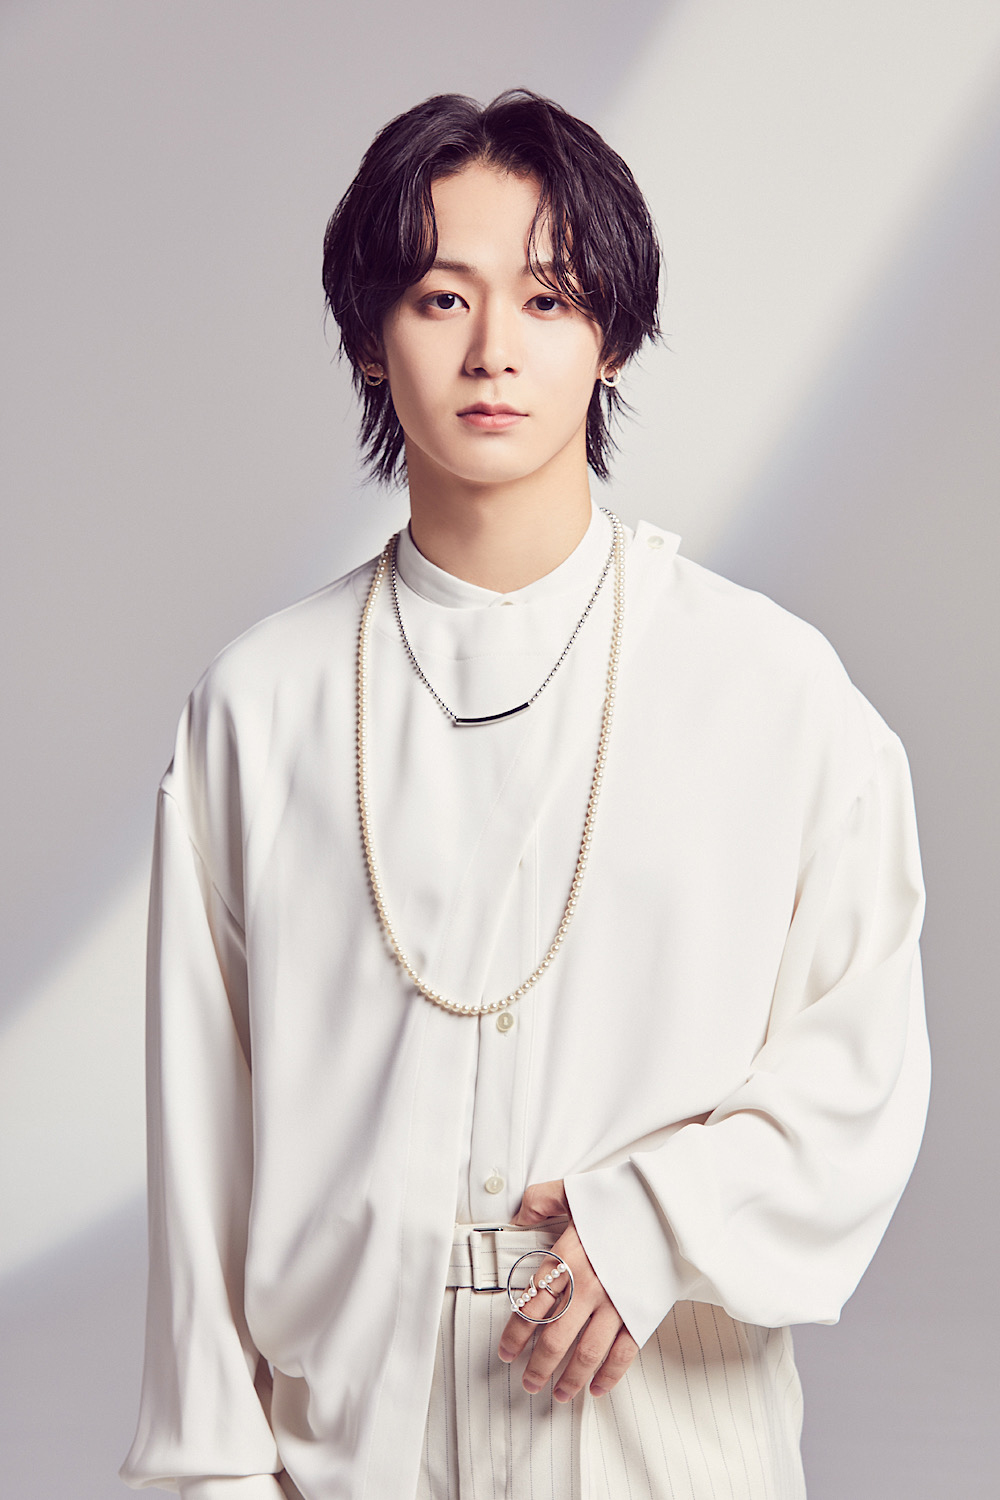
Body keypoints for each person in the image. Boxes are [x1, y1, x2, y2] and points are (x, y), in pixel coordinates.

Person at [120, 90, 929, 1500]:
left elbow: (863, 1067)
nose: (492, 348)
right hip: (346, 1454)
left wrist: (659, 1221)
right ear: (369, 338)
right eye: (441, 298)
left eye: (548, 300)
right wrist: (209, 1476)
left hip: (657, 1448)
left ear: (612, 340)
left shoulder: (771, 689)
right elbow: (204, 1152)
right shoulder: (260, 704)